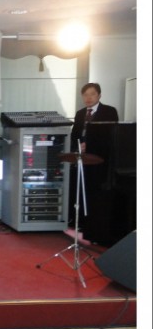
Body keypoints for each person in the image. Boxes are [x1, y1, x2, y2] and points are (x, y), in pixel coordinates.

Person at [68, 82, 119, 232]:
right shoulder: (80, 113)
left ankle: (93, 224)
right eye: (85, 95)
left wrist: (89, 145)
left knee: (96, 191)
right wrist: (79, 146)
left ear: (99, 95)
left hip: (100, 159)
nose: (88, 98)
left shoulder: (109, 111)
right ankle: (80, 220)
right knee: (80, 188)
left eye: (92, 94)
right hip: (82, 158)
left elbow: (110, 135)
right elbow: (75, 135)